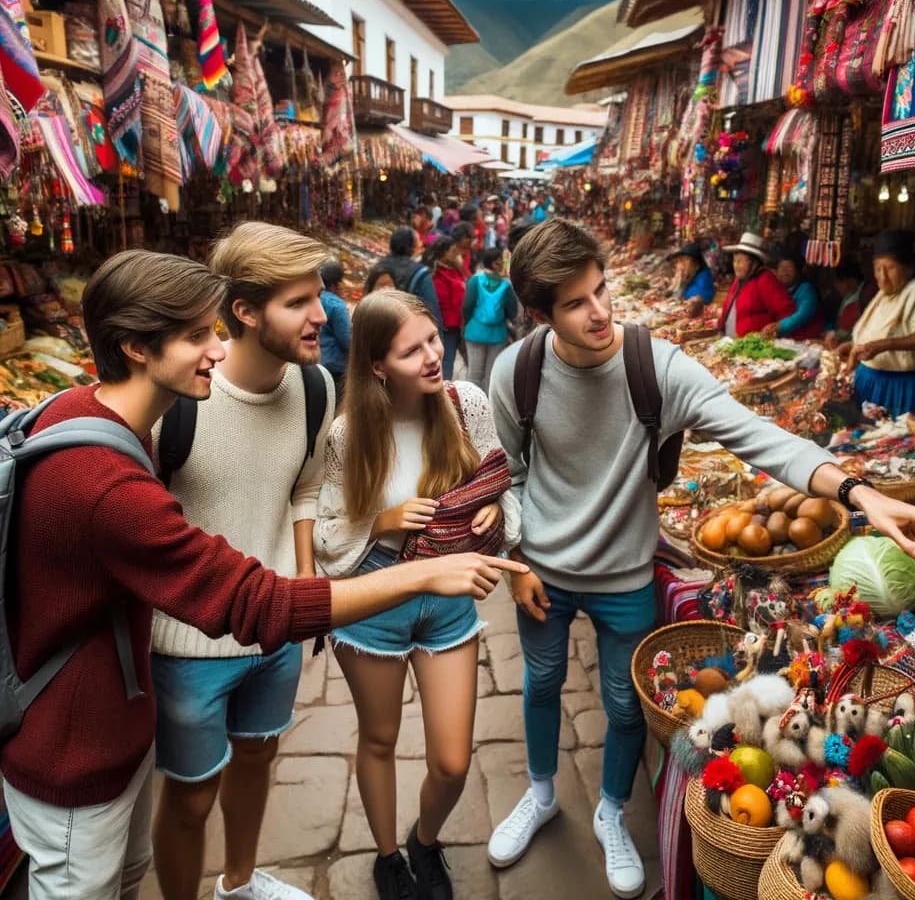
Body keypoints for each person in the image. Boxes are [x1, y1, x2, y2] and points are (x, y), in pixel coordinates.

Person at [1, 250, 527, 900]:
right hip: (92, 734)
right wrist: (419, 573)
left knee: (135, 863)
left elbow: (299, 497)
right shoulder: (112, 475)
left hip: (127, 717)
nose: (215, 352)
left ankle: (239, 883)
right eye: (198, 335)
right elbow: (246, 596)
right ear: (136, 347)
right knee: (138, 842)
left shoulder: (93, 411)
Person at [484, 219, 915, 899]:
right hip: (543, 570)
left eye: (600, 291)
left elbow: (758, 436)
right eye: (575, 303)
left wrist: (860, 491)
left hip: (624, 574)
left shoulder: (654, 366)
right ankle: (539, 795)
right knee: (540, 683)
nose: (599, 313)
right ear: (540, 314)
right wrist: (515, 557)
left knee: (626, 705)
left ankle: (610, 813)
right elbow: (505, 473)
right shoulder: (517, 371)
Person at [149, 224, 336, 900]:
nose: (322, 314)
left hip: (275, 629)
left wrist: (306, 575)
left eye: (319, 295)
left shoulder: (316, 388)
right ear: (245, 312)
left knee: (259, 757)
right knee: (191, 796)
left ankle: (239, 880)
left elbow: (305, 483)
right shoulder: (177, 399)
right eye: (299, 302)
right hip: (187, 647)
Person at [315, 290, 521, 900]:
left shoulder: (466, 403)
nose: (433, 357)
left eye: (433, 339)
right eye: (412, 351)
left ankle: (424, 839)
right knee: (377, 739)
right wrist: (381, 521)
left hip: (448, 593)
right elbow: (327, 530)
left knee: (454, 761)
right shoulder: (350, 432)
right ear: (378, 365)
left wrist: (492, 508)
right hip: (375, 595)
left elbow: (500, 478)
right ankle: (387, 859)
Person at [837, 230, 915, 416]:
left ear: (908, 268)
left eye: (891, 268)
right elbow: (881, 332)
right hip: (872, 381)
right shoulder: (885, 294)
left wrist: (883, 345)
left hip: (899, 387)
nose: (883, 276)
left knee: (894, 440)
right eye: (878, 268)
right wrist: (855, 345)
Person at [718, 231, 795, 338]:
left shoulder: (765, 280)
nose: (736, 265)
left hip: (755, 345)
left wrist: (775, 330)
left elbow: (786, 311)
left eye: (740, 261)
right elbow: (728, 306)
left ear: (753, 262)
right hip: (732, 342)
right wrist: (721, 327)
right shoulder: (739, 280)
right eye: (734, 261)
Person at [463, 247, 517, 393]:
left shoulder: (474, 280)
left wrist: (468, 322)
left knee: (474, 373)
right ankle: (487, 407)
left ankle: (471, 405)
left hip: (475, 330)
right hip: (498, 333)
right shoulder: (506, 285)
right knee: (491, 373)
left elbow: (467, 305)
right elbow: (513, 312)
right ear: (495, 263)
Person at [365, 227, 443, 327]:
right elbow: (433, 310)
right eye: (418, 241)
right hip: (408, 329)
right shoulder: (421, 272)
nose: (421, 244)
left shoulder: (378, 266)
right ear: (412, 247)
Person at [425, 235, 466, 381]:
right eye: (452, 250)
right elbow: (439, 302)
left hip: (455, 324)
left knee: (449, 360)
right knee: (445, 362)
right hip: (444, 326)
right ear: (443, 253)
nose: (456, 253)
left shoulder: (454, 270)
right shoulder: (436, 274)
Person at [763, 250, 824, 340]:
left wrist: (779, 326)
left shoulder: (806, 289)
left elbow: (803, 315)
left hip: (808, 339)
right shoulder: (776, 290)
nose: (785, 272)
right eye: (782, 268)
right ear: (776, 272)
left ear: (797, 270)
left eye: (789, 267)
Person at [824, 259, 876, 348]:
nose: (837, 286)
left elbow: (852, 329)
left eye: (840, 282)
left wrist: (836, 334)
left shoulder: (865, 295)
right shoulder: (845, 296)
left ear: (853, 280)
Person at [319, 258, 351, 393]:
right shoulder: (337, 305)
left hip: (315, 363)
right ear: (335, 284)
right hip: (334, 366)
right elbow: (346, 341)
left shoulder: (313, 297)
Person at [666, 243, 714, 311]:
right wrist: (675, 284)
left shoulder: (703, 276)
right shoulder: (691, 275)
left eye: (684, 260)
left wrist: (679, 283)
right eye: (679, 261)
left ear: (695, 262)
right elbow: (674, 297)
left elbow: (694, 302)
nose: (680, 265)